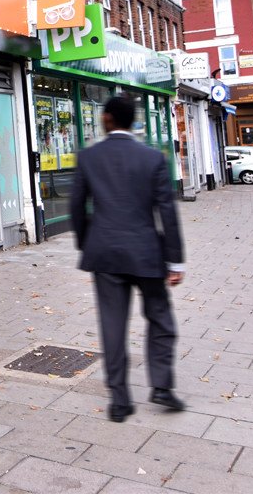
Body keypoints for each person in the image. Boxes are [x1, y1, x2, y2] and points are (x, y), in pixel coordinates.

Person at [71, 95, 185, 423]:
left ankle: (120, 399)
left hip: (104, 254)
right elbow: (167, 210)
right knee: (160, 318)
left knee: (112, 325)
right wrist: (175, 261)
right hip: (147, 253)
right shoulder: (152, 158)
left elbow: (77, 208)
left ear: (107, 119)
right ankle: (161, 386)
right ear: (133, 120)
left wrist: (86, 246)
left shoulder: (89, 157)